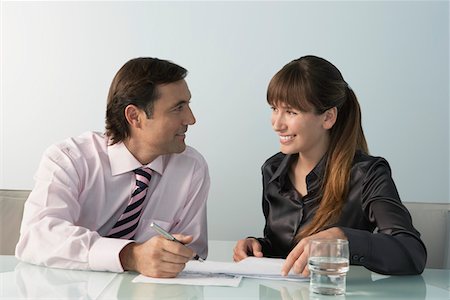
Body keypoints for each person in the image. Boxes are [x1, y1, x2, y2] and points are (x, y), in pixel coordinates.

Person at [16, 57, 210, 278]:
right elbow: (38, 237)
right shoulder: (69, 159)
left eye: (188, 105)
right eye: (178, 108)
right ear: (134, 116)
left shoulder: (191, 167)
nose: (191, 119)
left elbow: (192, 255)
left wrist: (176, 256)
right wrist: (129, 255)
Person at [233, 55, 427, 276]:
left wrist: (341, 239)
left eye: (291, 112)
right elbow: (286, 252)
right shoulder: (272, 170)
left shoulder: (367, 174)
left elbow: (412, 253)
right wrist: (257, 247)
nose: (277, 124)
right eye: (274, 109)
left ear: (328, 118)